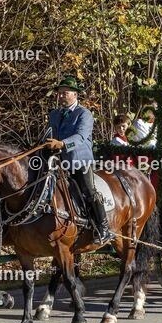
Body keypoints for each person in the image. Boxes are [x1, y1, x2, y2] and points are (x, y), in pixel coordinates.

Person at [45, 75, 113, 242]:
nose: (61, 96)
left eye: (65, 93)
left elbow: (81, 136)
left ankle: (103, 228)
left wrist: (61, 144)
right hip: (57, 160)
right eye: (59, 93)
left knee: (89, 191)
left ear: (75, 95)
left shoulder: (85, 114)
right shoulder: (54, 114)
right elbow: (49, 133)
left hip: (79, 160)